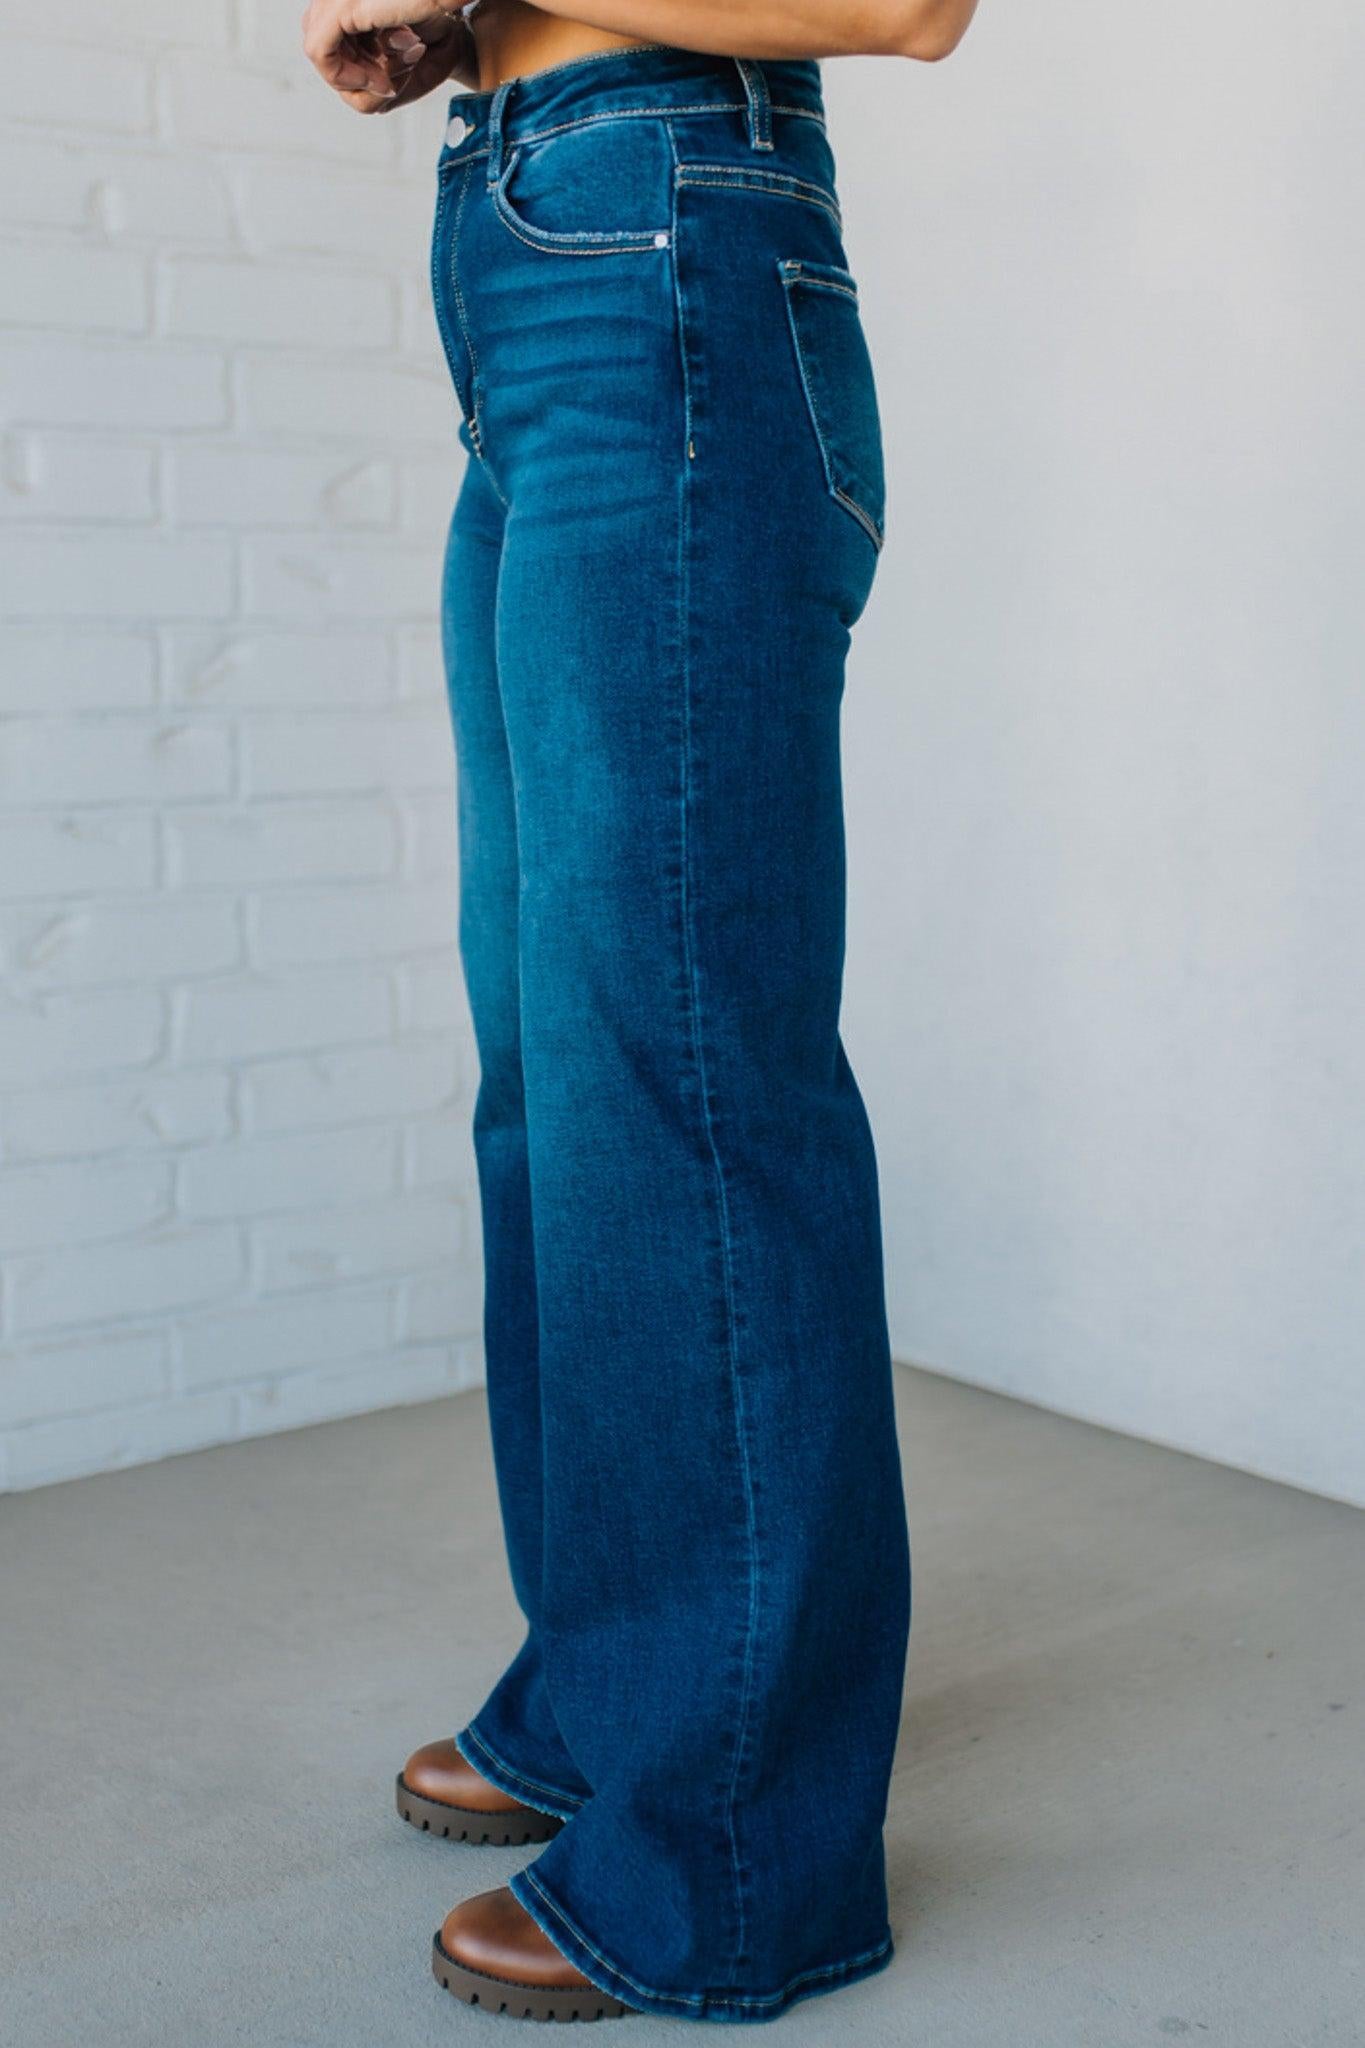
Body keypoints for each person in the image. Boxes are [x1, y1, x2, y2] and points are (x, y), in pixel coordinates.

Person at [303, 0, 979, 2022]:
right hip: (532, 254)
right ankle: (615, 1685)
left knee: (677, 1069)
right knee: (554, 1068)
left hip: (668, 239)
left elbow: (905, 2)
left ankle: (739, 1849)